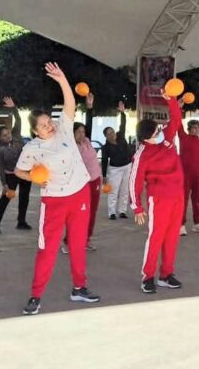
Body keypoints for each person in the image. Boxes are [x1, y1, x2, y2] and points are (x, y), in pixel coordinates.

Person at [14, 62, 100, 315]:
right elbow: (18, 171)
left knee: (77, 244)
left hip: (80, 192)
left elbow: (70, 104)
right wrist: (33, 178)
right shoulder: (31, 149)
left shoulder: (64, 130)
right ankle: (36, 295)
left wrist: (62, 79)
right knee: (47, 249)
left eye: (49, 121)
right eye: (43, 125)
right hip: (53, 200)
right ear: (35, 130)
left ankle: (79, 288)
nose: (49, 126)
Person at [129, 94, 185, 293]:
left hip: (178, 196)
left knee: (172, 237)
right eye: (155, 133)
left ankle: (166, 274)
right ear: (146, 138)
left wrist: (171, 100)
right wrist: (137, 207)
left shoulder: (167, 138)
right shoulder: (142, 155)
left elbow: (176, 118)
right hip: (159, 199)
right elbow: (134, 181)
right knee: (156, 237)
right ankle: (148, 277)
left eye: (158, 129)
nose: (159, 133)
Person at [61, 92, 102, 253]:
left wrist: (89, 107)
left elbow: (89, 124)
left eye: (83, 132)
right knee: (77, 214)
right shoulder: (70, 146)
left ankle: (86, 239)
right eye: (78, 132)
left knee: (92, 212)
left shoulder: (87, 141)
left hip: (95, 181)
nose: (82, 134)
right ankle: (68, 242)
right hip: (79, 184)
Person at [0, 97, 32, 234]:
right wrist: (4, 184)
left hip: (25, 172)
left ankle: (21, 222)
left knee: (24, 198)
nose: (7, 136)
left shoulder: (16, 135)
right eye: (4, 135)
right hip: (11, 175)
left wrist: (14, 108)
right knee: (5, 199)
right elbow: (1, 168)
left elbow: (18, 120)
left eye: (7, 133)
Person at [101, 102, 132, 220]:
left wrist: (122, 112)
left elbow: (123, 124)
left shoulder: (120, 136)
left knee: (125, 189)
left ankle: (122, 211)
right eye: (109, 133)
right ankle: (112, 212)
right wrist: (104, 176)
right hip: (115, 169)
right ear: (106, 136)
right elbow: (104, 161)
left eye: (112, 131)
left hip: (127, 166)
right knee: (113, 190)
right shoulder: (106, 147)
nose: (112, 134)